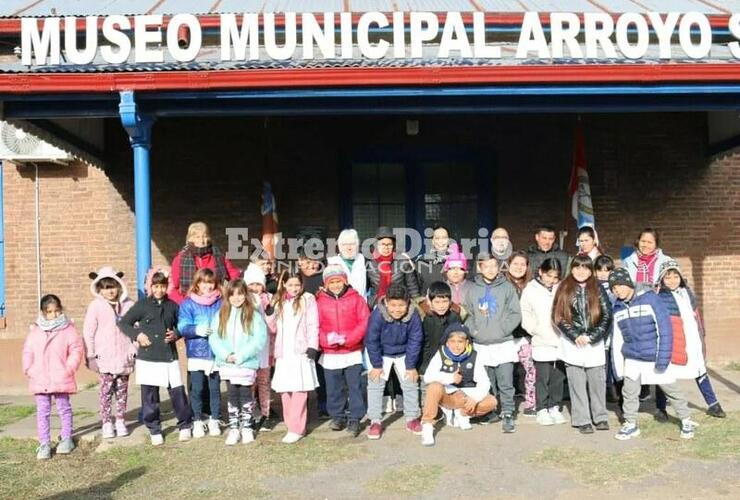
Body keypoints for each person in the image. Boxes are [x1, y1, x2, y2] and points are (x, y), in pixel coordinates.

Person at [610, 268, 697, 440]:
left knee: (671, 390)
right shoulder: (617, 308)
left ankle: (686, 419)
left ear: (628, 283)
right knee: (629, 392)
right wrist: (618, 367)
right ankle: (631, 424)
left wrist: (663, 359)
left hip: (654, 355)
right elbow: (617, 339)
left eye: (619, 285)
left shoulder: (650, 299)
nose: (617, 290)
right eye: (613, 288)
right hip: (632, 358)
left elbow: (665, 329)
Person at [120, 271, 192, 446]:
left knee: (177, 393)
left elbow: (182, 324)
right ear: (150, 287)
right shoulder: (142, 305)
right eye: (155, 286)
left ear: (167, 286)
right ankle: (154, 428)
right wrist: (138, 335)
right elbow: (124, 322)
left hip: (169, 356)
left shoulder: (173, 306)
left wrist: (176, 333)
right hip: (148, 357)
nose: (159, 290)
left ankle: (184, 425)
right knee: (150, 396)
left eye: (162, 286)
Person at [655, 260, 725, 419]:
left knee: (699, 369)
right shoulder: (660, 297)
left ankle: (713, 403)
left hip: (692, 338)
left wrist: (701, 334)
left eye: (675, 276)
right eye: (668, 277)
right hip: (674, 340)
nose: (672, 280)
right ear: (662, 280)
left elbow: (696, 315)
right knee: (665, 374)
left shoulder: (687, 293)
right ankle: (660, 408)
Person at [552, 255, 612, 434]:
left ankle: (600, 416)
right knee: (576, 383)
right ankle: (582, 419)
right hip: (573, 343)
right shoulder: (563, 287)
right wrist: (574, 335)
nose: (581, 271)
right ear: (571, 268)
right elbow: (558, 316)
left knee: (597, 382)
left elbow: (607, 316)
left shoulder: (597, 287)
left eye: (585, 268)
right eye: (577, 267)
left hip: (594, 343)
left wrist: (593, 336)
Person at [463, 253, 522, 433]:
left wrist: (503, 330)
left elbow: (515, 314)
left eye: (494, 266)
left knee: (505, 380)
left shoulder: (507, 288)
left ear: (499, 267)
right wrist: (474, 331)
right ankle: (491, 410)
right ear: (480, 268)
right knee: (487, 381)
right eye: (486, 266)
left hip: (503, 343)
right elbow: (468, 314)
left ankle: (508, 412)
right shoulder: (473, 290)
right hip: (482, 343)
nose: (490, 269)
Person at [23, 294, 84, 460]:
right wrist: (28, 368)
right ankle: (44, 443)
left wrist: (69, 368)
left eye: (57, 311)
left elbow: (76, 349)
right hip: (40, 377)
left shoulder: (68, 329)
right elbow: (28, 351)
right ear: (43, 313)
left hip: (61, 377)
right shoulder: (36, 331)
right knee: (42, 411)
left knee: (64, 408)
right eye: (50, 312)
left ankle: (66, 438)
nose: (54, 314)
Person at [209, 279, 267, 446]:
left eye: (240, 294)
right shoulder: (221, 314)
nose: (236, 298)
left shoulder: (253, 315)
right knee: (232, 394)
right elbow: (214, 338)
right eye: (232, 294)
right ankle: (234, 427)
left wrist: (242, 355)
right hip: (227, 363)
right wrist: (225, 355)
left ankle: (247, 426)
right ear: (228, 296)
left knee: (245, 394)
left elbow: (259, 339)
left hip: (245, 363)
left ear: (245, 295)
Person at [421, 323, 498, 446]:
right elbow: (428, 377)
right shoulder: (440, 355)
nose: (456, 345)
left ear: (467, 342)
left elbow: (484, 382)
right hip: (449, 395)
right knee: (433, 386)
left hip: (467, 396)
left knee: (492, 402)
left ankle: (462, 414)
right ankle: (427, 425)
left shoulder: (474, 356)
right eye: (452, 341)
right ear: (447, 343)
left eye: (460, 342)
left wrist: (475, 399)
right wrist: (450, 378)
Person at [316, 264, 371, 437]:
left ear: (345, 281)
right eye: (331, 282)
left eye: (339, 281)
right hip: (330, 353)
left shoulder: (356, 299)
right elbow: (314, 325)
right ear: (326, 284)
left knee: (354, 386)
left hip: (352, 351)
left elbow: (364, 321)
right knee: (334, 387)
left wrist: (350, 339)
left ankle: (355, 417)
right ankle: (337, 416)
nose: (336, 285)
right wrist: (326, 340)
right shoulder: (319, 301)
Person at [83, 267, 136, 439]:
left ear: (119, 286)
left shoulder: (129, 305)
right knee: (105, 392)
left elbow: (137, 328)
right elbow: (88, 331)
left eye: (113, 286)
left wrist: (134, 348)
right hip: (104, 357)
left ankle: (120, 420)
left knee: (122, 391)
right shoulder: (95, 306)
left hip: (123, 356)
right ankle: (106, 422)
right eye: (105, 287)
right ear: (99, 289)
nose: (110, 290)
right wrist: (90, 355)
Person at [365, 284, 424, 440]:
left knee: (410, 383)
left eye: (401, 305)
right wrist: (377, 365)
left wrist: (411, 366)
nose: (397, 309)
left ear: (408, 303)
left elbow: (415, 340)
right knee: (375, 384)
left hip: (404, 353)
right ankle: (375, 421)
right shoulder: (378, 314)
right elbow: (371, 340)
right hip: (381, 354)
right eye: (393, 305)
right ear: (387, 303)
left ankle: (412, 418)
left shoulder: (414, 315)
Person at [268, 271, 320, 444]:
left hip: (300, 350)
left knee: (299, 389)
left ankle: (297, 427)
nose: (294, 288)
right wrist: (269, 313)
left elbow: (313, 324)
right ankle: (291, 425)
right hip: (284, 351)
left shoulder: (308, 299)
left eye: (297, 285)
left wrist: (313, 346)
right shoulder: (279, 301)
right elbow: (273, 328)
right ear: (284, 285)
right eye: (290, 285)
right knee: (285, 389)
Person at [177, 268, 223, 439]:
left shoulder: (221, 302)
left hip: (216, 353)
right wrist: (196, 329)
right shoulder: (188, 303)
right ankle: (197, 420)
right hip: (196, 352)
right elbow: (182, 327)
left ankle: (214, 419)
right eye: (204, 282)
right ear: (197, 283)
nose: (208, 286)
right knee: (197, 389)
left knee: (214, 389)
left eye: (210, 282)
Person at [520, 258, 566, 426]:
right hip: (541, 339)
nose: (552, 280)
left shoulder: (561, 288)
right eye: (549, 275)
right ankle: (541, 409)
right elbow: (525, 313)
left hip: (560, 338)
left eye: (555, 277)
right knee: (542, 377)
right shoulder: (530, 290)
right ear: (541, 272)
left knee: (558, 377)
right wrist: (535, 329)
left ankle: (555, 406)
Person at [168, 221, 241, 305]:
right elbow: (175, 285)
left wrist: (227, 292)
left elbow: (233, 276)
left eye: (204, 236)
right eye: (197, 237)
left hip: (216, 301)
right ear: (190, 239)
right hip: (190, 301)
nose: (202, 240)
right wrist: (185, 303)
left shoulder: (219, 255)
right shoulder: (180, 258)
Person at [244, 263, 278, 431]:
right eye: (252, 284)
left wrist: (270, 314)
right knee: (250, 382)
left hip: (265, 349)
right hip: (249, 349)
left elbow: (273, 328)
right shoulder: (242, 299)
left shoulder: (269, 300)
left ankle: (266, 414)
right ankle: (249, 414)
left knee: (264, 382)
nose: (255, 288)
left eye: (258, 284)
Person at [419, 282, 462, 403]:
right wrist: (422, 366)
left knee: (449, 391)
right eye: (437, 302)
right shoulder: (425, 319)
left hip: (449, 362)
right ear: (430, 302)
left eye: (444, 302)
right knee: (427, 394)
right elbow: (422, 344)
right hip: (428, 362)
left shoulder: (454, 317)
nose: (441, 306)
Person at [505, 251, 536, 417]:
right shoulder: (501, 284)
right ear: (509, 265)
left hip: (525, 336)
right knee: (505, 372)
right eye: (515, 263)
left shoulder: (532, 286)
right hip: (506, 336)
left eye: (522, 264)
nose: (518, 267)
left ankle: (531, 402)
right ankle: (506, 405)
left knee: (530, 370)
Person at [366, 226, 420, 308]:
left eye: (389, 244)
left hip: (400, 305)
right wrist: (370, 303)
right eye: (383, 244)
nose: (386, 247)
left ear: (393, 246)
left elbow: (413, 288)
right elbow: (363, 288)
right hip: (377, 305)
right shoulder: (369, 263)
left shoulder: (402, 261)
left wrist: (417, 306)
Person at [594, 255, 620, 404]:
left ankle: (611, 389)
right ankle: (602, 391)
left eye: (607, 270)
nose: (603, 273)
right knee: (601, 364)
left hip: (614, 331)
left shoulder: (615, 287)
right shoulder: (593, 286)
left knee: (612, 362)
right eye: (600, 270)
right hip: (600, 330)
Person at [327, 228, 367, 300]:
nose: (349, 248)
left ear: (357, 245)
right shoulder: (331, 262)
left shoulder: (364, 260)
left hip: (362, 306)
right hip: (340, 306)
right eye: (345, 244)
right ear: (339, 246)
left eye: (352, 244)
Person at [415, 225, 451, 295]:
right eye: (437, 238)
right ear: (432, 241)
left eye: (444, 238)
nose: (441, 241)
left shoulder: (458, 261)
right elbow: (416, 289)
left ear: (449, 240)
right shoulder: (422, 262)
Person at [443, 243, 473, 315]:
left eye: (460, 269)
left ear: (465, 271)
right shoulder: (439, 288)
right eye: (452, 268)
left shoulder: (474, 288)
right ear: (446, 271)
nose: (456, 272)